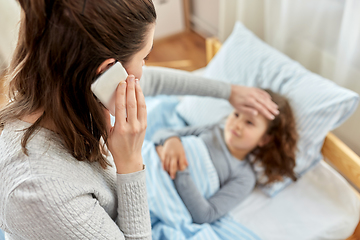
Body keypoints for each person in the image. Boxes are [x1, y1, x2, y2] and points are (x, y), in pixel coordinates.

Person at [0, 0, 278, 239]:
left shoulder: (56, 86)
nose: (146, 69)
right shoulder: (40, 192)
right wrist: (131, 162)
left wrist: (227, 92)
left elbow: (147, 82)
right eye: (144, 58)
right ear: (107, 71)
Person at [153, 90, 298, 224]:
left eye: (249, 122)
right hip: (147, 162)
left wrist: (179, 168)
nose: (237, 124)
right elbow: (160, 134)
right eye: (236, 114)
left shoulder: (244, 176)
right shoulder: (213, 129)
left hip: (161, 193)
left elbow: (206, 215)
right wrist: (171, 141)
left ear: (264, 139)